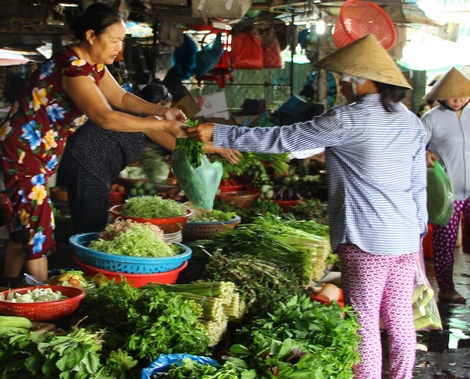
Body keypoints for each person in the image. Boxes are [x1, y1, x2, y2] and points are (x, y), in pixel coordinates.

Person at [189, 34, 428, 379]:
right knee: (399, 317)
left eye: (344, 78)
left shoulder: (348, 119)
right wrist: (416, 231)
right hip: (405, 237)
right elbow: (418, 184)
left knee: (363, 323)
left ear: (359, 80)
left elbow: (284, 138)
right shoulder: (411, 122)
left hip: (367, 239)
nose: (341, 85)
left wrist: (221, 134)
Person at [0, 3, 188, 284]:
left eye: (122, 41)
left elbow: (122, 99)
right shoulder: (74, 69)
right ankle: (40, 310)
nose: (118, 48)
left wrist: (160, 110)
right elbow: (106, 117)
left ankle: (7, 289)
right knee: (39, 232)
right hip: (23, 152)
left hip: (39, 154)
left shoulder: (92, 65)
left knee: (23, 230)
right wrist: (161, 124)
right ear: (90, 35)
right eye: (113, 40)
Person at [59, 81, 241, 234]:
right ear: (161, 106)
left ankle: (80, 258)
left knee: (88, 216)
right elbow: (178, 143)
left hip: (84, 159)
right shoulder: (149, 119)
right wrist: (218, 148)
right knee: (91, 221)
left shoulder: (130, 110)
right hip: (88, 162)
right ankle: (81, 264)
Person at [421, 67, 470, 304]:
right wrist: (425, 154)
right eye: (452, 95)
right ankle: (447, 289)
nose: (458, 99)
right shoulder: (431, 119)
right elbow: (413, 145)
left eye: (462, 94)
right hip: (447, 191)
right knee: (445, 242)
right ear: (441, 96)